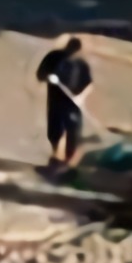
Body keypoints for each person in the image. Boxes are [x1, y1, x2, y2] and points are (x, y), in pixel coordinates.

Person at [37, 34, 95, 176]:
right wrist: (48, 77)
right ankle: (55, 162)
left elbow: (89, 84)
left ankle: (64, 166)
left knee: (71, 132)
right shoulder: (54, 57)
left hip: (73, 104)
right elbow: (40, 75)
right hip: (56, 101)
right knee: (55, 132)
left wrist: (81, 97)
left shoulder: (81, 64)